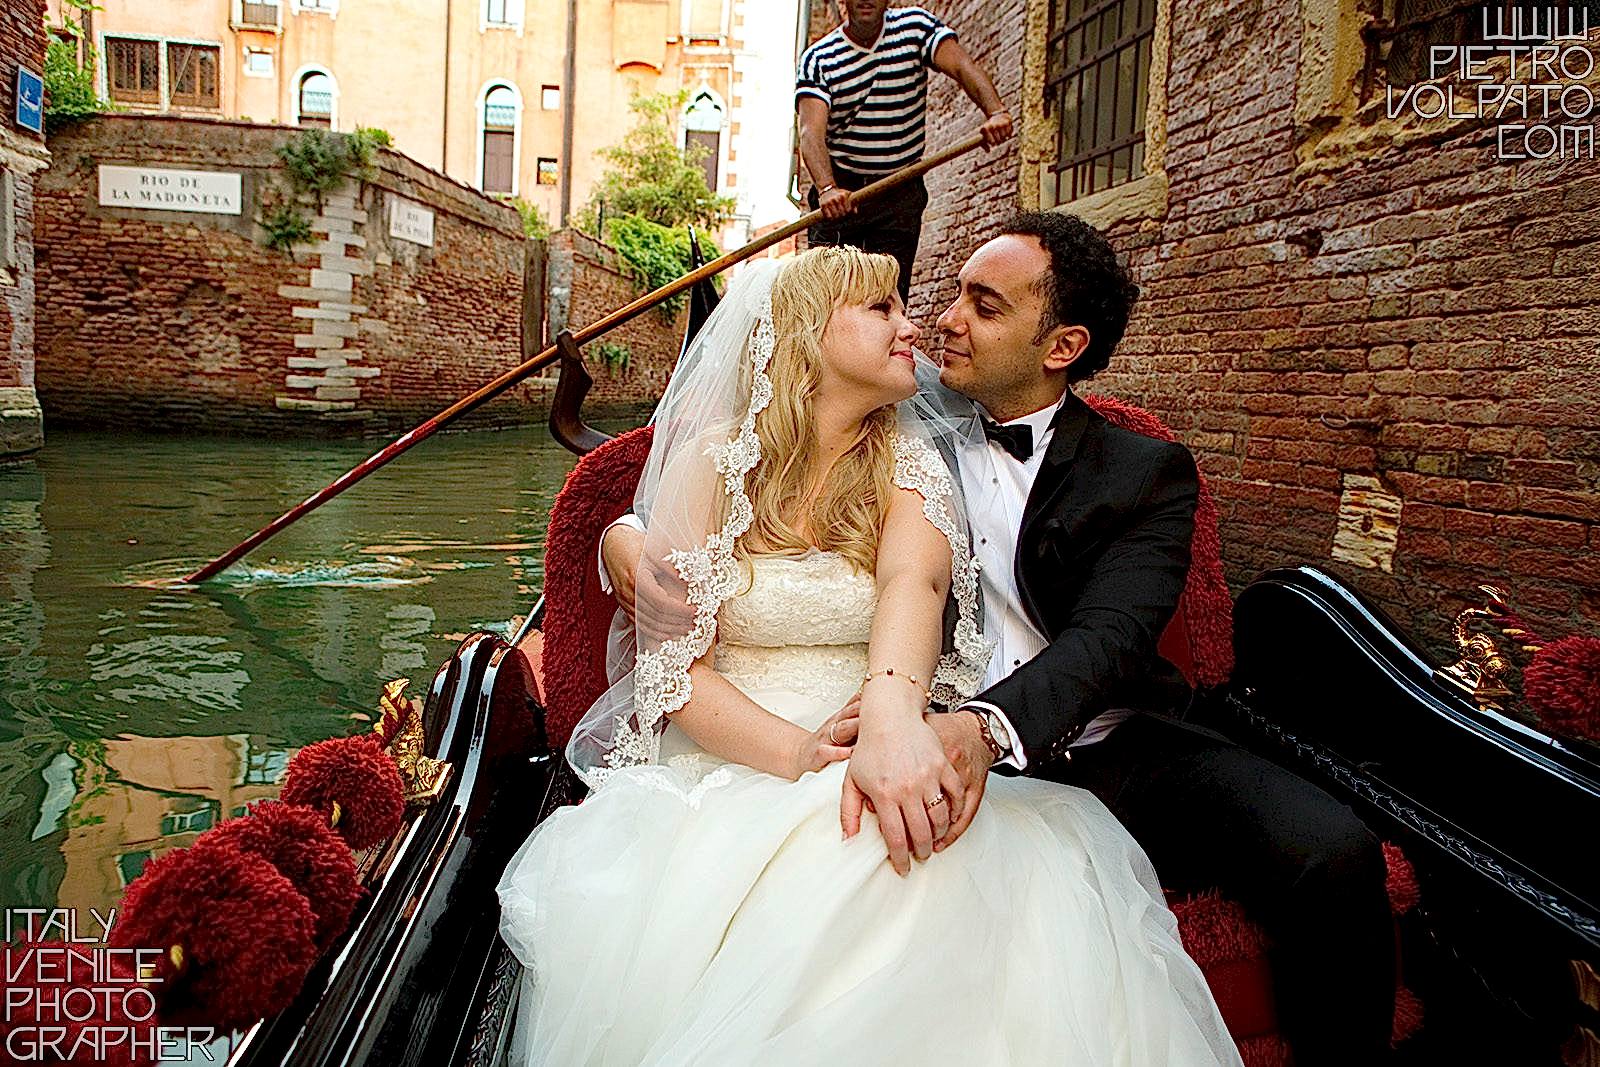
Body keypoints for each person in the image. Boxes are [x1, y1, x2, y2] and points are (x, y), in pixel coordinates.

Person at [604, 215, 1398, 1067]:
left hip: (1100, 743)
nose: (940, 320)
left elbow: (1110, 642)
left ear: (1061, 344)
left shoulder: (1144, 472)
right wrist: (621, 538)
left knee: (1335, 852)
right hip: (910, 728)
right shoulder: (901, 407)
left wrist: (975, 729)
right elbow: (727, 489)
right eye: (944, 297)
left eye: (983, 307)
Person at [497, 246, 1240, 1065]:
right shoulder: (714, 462)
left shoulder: (912, 462)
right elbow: (675, 670)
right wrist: (798, 752)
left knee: (894, 845)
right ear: (810, 335)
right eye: (882, 308)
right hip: (726, 754)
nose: (914, 325)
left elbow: (912, 590)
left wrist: (886, 725)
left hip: (874, 735)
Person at [797, 1, 1012, 302]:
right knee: (831, 298)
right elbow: (810, 131)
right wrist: (827, 187)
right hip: (843, 196)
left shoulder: (915, 27)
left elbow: (961, 66)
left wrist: (996, 112)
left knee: (888, 297)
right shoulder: (819, 59)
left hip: (900, 190)